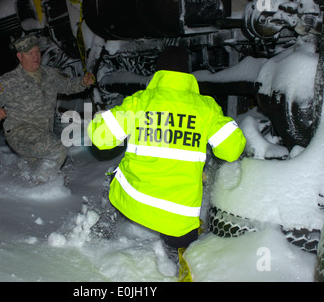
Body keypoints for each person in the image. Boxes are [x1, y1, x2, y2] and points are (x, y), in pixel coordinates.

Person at [87, 46, 246, 260]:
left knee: (112, 178)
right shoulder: (205, 108)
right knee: (181, 253)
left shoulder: (141, 102)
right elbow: (232, 150)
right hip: (178, 214)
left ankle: (98, 234)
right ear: (188, 74)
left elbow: (100, 138)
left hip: (136, 200)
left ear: (159, 73)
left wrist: (102, 117)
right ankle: (177, 258)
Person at [0, 34, 95, 182]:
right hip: (19, 133)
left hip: (43, 134)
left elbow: (68, 84)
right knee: (57, 150)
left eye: (38, 52)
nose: (36, 57)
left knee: (39, 164)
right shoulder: (9, 80)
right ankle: (42, 187)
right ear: (20, 57)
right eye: (30, 53)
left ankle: (31, 189)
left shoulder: (50, 74)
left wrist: (83, 82)